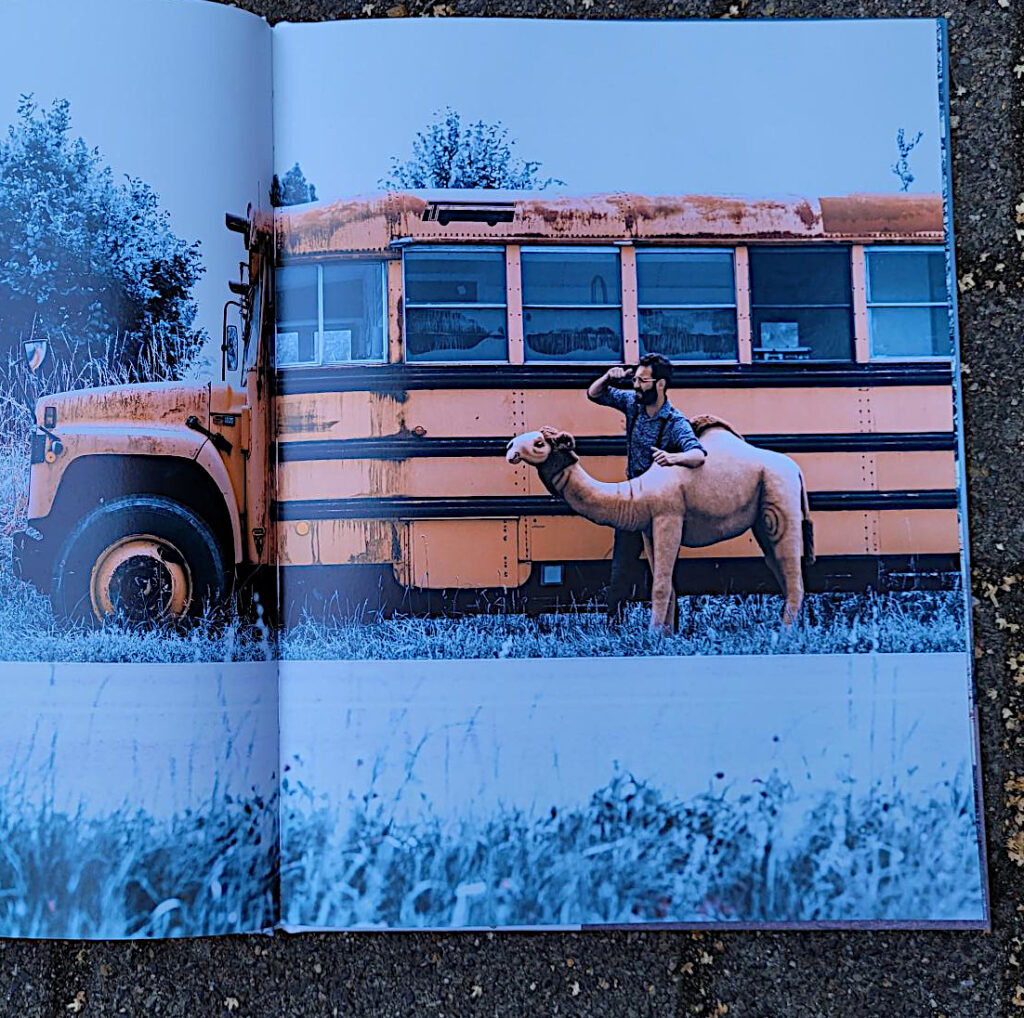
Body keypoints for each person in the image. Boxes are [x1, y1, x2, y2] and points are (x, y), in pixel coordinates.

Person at [587, 353, 707, 624]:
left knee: (663, 570)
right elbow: (594, 394)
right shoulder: (633, 404)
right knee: (620, 567)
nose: (636, 386)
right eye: (636, 379)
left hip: (661, 506)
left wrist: (673, 458)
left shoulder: (675, 421)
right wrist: (608, 377)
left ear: (661, 384)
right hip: (632, 500)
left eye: (643, 380)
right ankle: (614, 624)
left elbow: (698, 454)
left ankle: (669, 627)